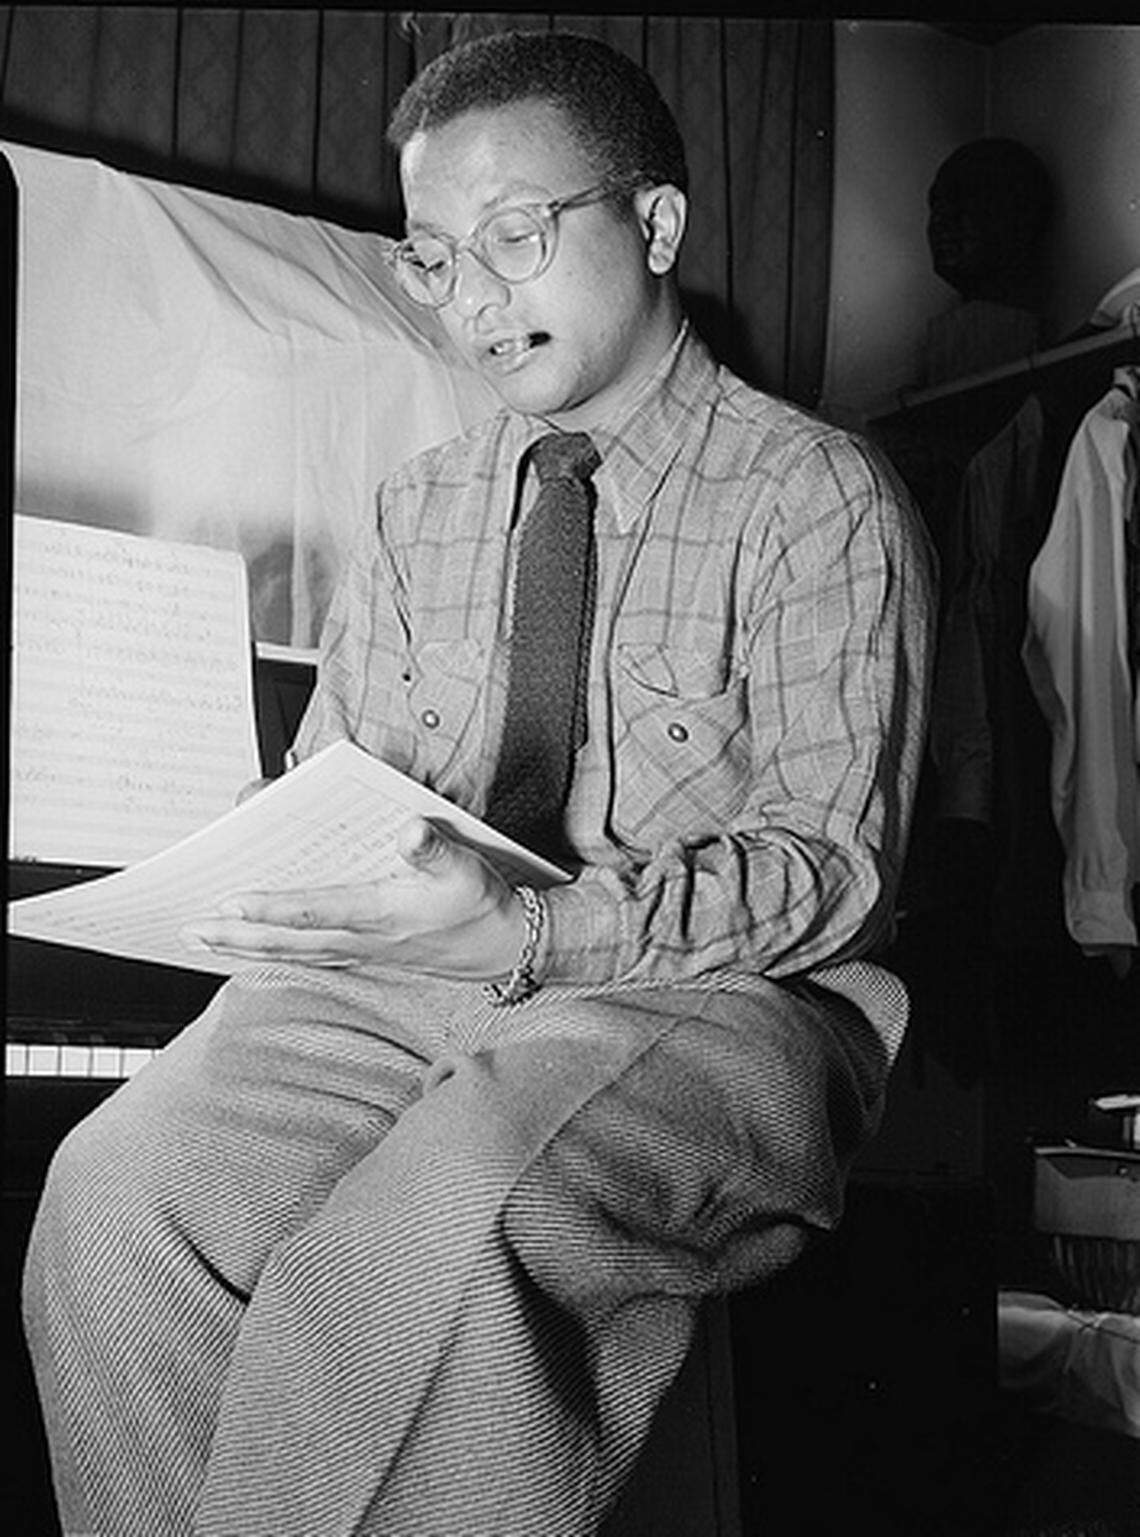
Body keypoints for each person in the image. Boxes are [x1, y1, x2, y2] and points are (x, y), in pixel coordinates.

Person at [23, 30, 937, 1537]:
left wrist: (527, 935)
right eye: (434, 261)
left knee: (433, 1229)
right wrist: (278, 881)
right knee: (121, 1195)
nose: (471, 296)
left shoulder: (814, 493)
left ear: (654, 225)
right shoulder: (418, 505)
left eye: (515, 237)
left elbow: (833, 872)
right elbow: (343, 777)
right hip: (413, 989)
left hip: (720, 1002)